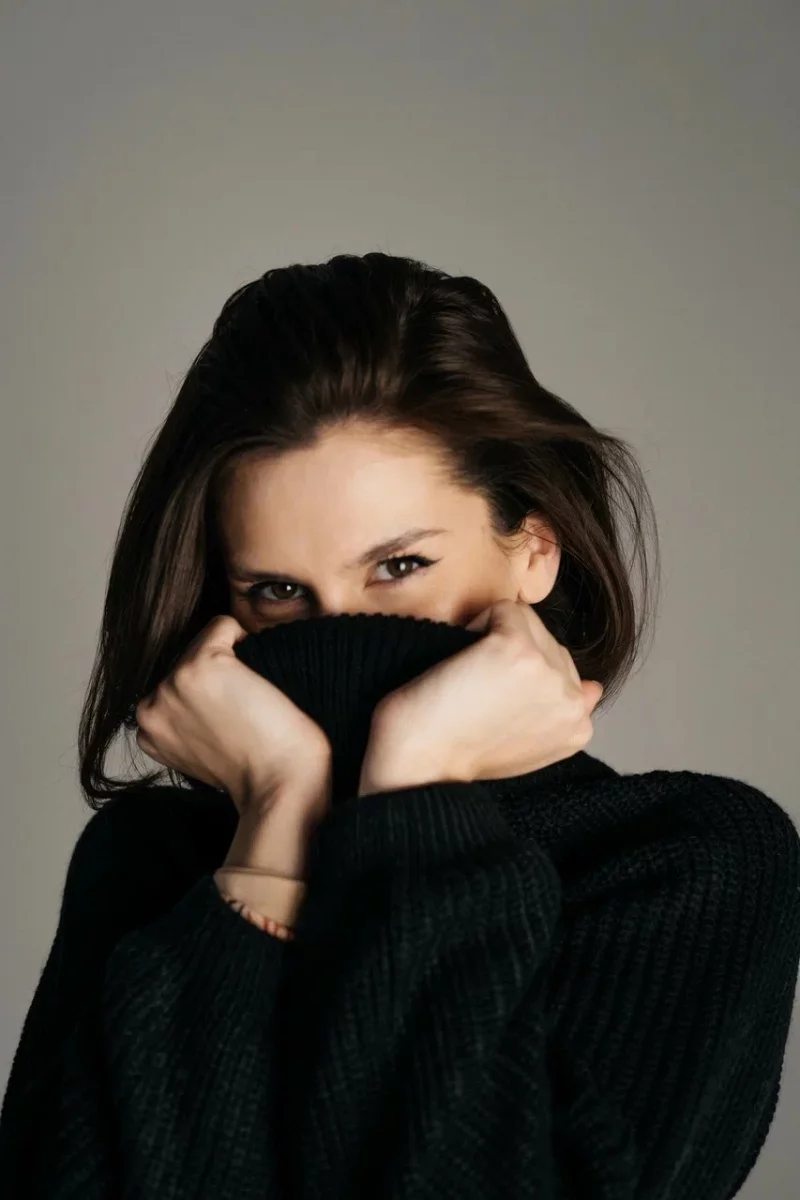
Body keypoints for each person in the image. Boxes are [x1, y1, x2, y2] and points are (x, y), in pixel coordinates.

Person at [1, 252, 798, 1199]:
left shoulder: (686, 862)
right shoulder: (154, 864)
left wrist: (416, 785)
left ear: (534, 550)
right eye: (279, 591)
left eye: (400, 567)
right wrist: (275, 820)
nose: (341, 627)